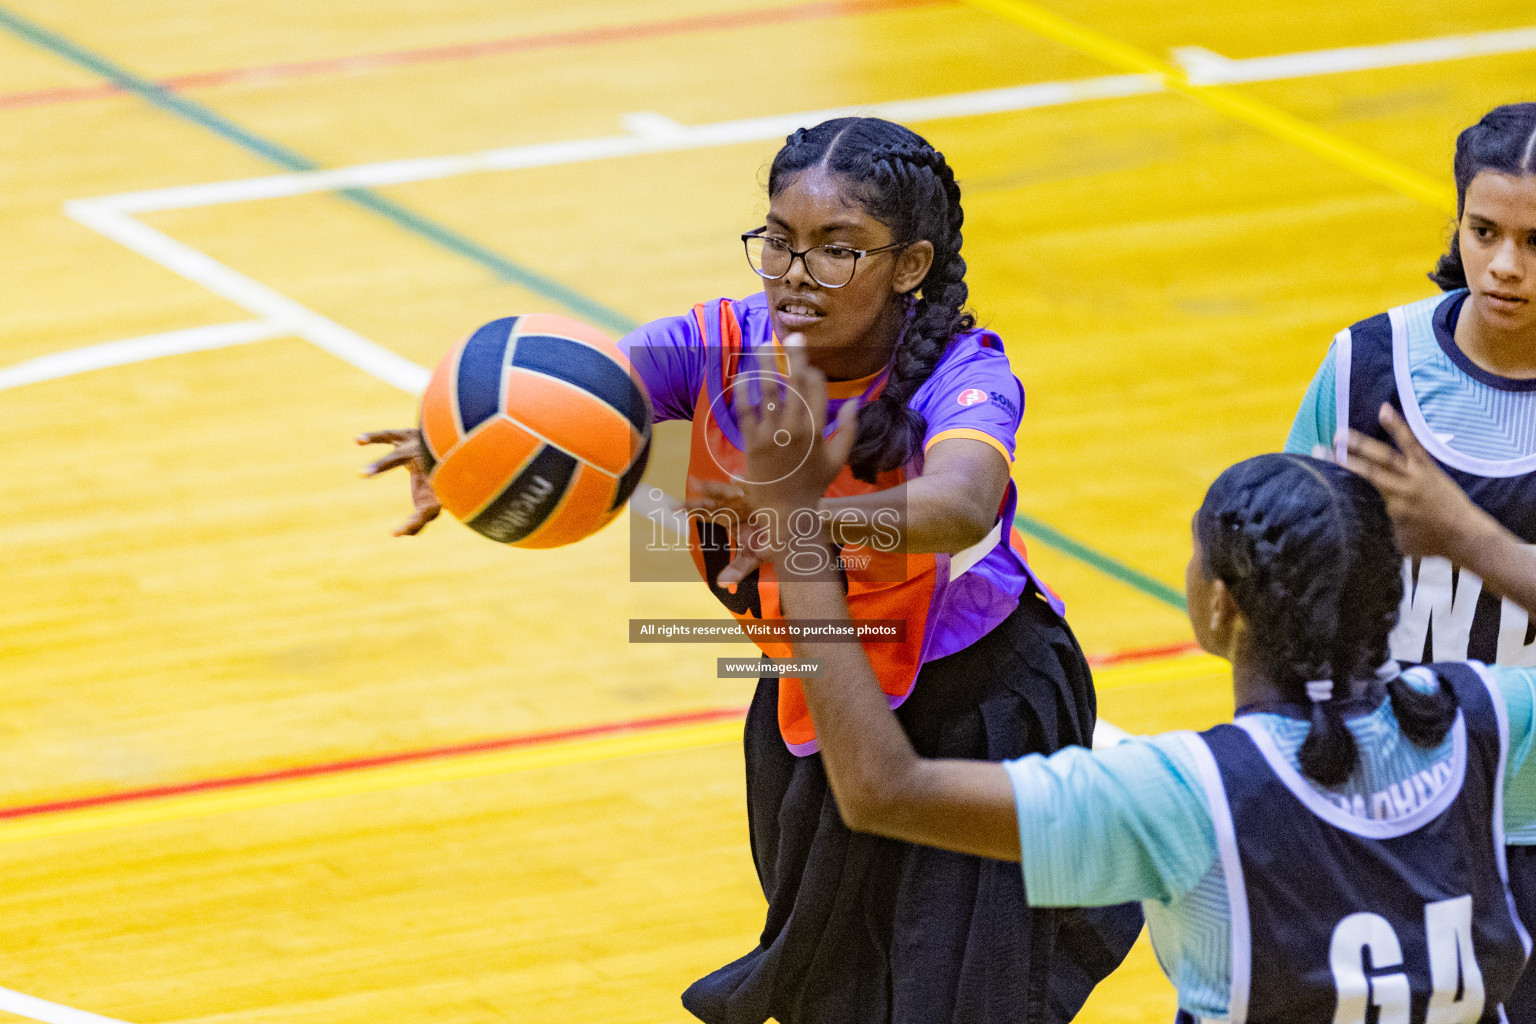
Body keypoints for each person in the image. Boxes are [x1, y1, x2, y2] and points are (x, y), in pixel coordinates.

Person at [359, 116, 1139, 1023]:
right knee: (833, 998)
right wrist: (466, 444)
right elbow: (574, 394)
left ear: (911, 264)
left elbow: (958, 503)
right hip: (815, 702)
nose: (796, 273)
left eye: (836, 249)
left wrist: (802, 517)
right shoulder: (714, 346)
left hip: (978, 708)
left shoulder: (965, 372)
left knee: (957, 997)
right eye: (778, 241)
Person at [733, 335, 1536, 1022]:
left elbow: (883, 788)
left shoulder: (1182, 798)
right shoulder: (1484, 722)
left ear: (1221, 606)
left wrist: (798, 533)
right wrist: (1476, 541)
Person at [1284, 102, 1536, 1018]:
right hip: (1383, 809)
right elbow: (1281, 578)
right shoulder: (1363, 364)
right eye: (1484, 232)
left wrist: (1457, 532)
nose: (1504, 267)